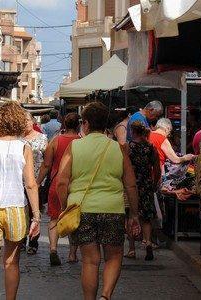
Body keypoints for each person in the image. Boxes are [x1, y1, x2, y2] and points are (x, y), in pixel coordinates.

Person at [56, 102, 141, 300]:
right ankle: (106, 296)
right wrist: (134, 214)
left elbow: (62, 181)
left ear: (84, 124)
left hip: (81, 209)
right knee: (113, 256)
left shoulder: (74, 146)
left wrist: (63, 206)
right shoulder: (119, 149)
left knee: (90, 261)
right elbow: (130, 185)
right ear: (106, 125)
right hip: (112, 209)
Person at [0, 101, 41, 300]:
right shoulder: (24, 147)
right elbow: (30, 184)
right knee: (11, 262)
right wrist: (36, 215)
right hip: (15, 208)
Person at [36, 113, 81, 266]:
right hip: (76, 185)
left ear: (63, 125)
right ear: (79, 125)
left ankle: (53, 249)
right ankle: (72, 253)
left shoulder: (55, 141)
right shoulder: (81, 142)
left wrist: (37, 183)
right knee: (74, 219)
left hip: (56, 184)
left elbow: (46, 165)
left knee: (54, 218)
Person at [126, 121, 161, 261]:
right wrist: (154, 182)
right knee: (146, 217)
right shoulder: (150, 147)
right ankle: (148, 244)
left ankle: (132, 249)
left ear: (132, 131)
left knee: (131, 215)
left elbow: (124, 167)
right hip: (146, 185)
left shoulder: (129, 147)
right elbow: (157, 168)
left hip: (131, 185)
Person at [22, 112, 48, 255]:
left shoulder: (42, 139)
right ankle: (20, 240)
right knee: (21, 211)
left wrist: (40, 180)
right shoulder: (17, 139)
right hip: (19, 181)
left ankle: (33, 242)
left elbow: (47, 161)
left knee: (34, 211)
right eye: (22, 120)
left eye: (27, 120)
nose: (25, 123)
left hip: (37, 181)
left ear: (33, 122)